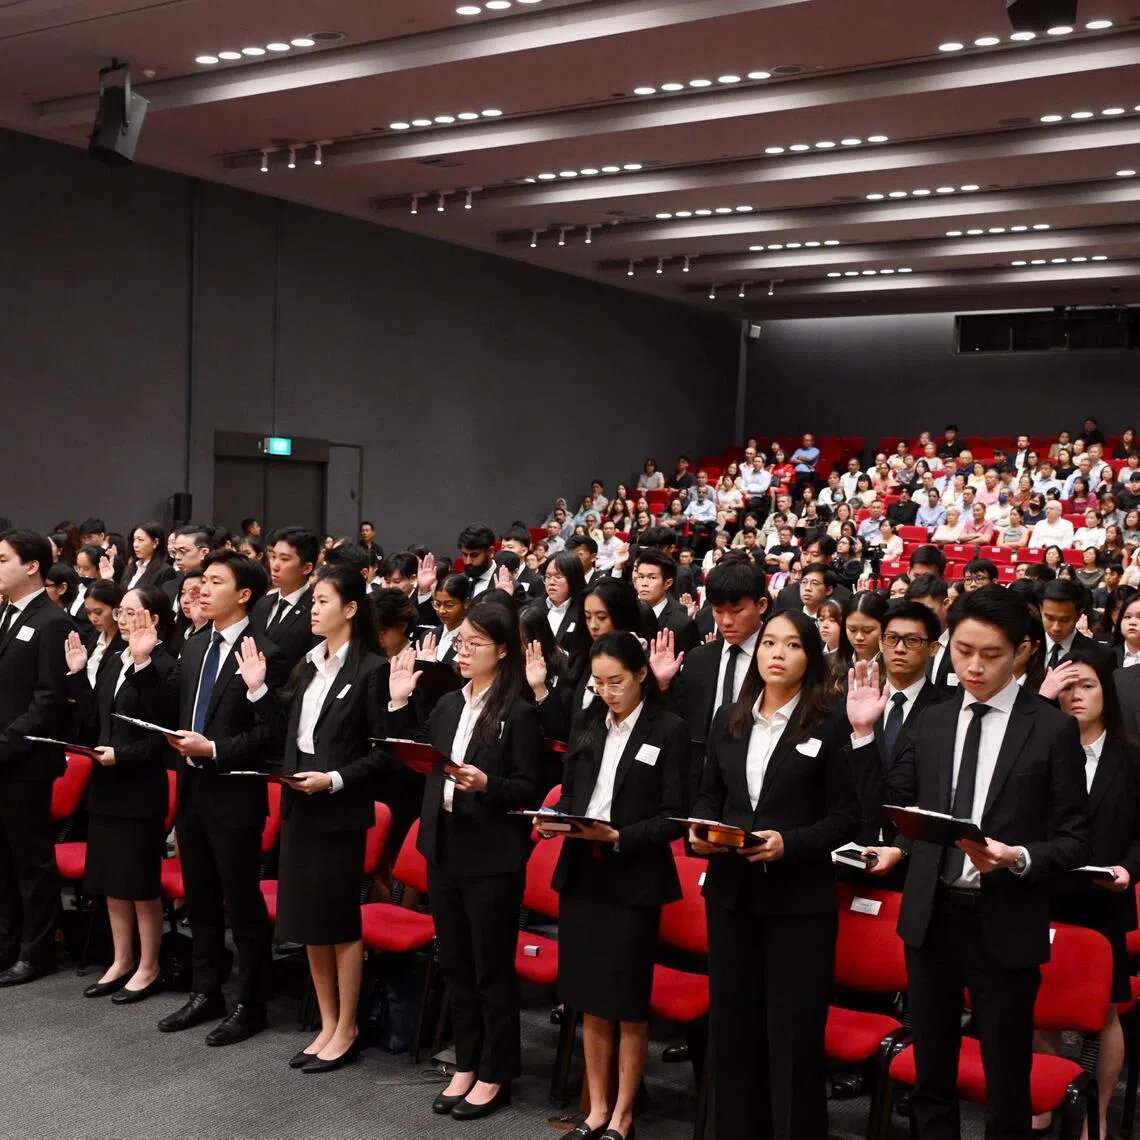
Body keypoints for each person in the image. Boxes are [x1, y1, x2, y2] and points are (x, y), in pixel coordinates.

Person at [848, 585, 1089, 1140]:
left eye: (991, 654)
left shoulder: (1050, 728)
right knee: (931, 1069)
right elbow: (890, 799)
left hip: (1004, 916)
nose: (974, 667)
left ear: (1023, 651)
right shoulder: (932, 719)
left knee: (1007, 1075)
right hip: (933, 915)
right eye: (962, 651)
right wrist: (864, 735)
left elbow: (1076, 839)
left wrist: (1020, 856)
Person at [691, 608, 859, 1140]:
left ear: (810, 657)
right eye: (769, 644)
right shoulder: (730, 716)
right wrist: (703, 830)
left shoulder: (831, 723)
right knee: (733, 1031)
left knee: (791, 1037)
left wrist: (792, 844)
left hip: (798, 902)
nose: (777, 654)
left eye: (791, 645)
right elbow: (710, 794)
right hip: (732, 894)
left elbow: (847, 817)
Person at [388, 601, 542, 1120]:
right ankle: (466, 1060)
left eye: (475, 644)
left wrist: (487, 784)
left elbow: (530, 788)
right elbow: (421, 758)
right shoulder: (450, 703)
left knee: (490, 966)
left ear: (502, 650)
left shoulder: (517, 712)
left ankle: (499, 1070)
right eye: (462, 642)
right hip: (445, 843)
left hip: (492, 852)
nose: (464, 651)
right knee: (454, 961)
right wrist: (399, 704)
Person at [130, 549, 288, 1044]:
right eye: (201, 582)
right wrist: (144, 661)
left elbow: (271, 736)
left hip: (235, 793)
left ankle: (252, 1001)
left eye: (215, 581)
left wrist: (216, 748)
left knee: (241, 903)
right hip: (194, 790)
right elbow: (169, 702)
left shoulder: (266, 652)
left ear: (243, 594)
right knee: (198, 897)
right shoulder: (196, 644)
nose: (201, 589)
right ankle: (206, 991)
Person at [239, 565, 388, 1072]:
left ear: (350, 609)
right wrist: (258, 692)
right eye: (312, 602)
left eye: (322, 601)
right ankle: (326, 1021)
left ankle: (348, 1027)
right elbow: (289, 733)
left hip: (339, 812)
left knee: (339, 924)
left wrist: (336, 779)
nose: (312, 610)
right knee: (308, 922)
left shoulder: (371, 669)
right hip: (301, 804)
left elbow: (382, 753)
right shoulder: (308, 663)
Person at [541, 632, 688, 1140]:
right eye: (599, 683)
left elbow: (674, 817)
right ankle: (597, 1108)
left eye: (617, 681)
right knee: (589, 996)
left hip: (633, 877)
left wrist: (621, 835)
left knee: (625, 1001)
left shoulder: (668, 729)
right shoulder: (588, 721)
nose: (608, 692)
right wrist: (555, 818)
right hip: (584, 870)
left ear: (642, 674)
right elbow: (573, 791)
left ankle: (624, 1114)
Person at [1032, 647, 1140, 1137]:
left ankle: (1096, 1113)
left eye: (1087, 685)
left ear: (1108, 693)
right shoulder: (1039, 748)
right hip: (1047, 890)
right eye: (1067, 687)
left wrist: (1128, 870)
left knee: (1106, 1011)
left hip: (1104, 897)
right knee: (1043, 1005)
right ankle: (1045, 1099)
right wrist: (1038, 700)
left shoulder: (1130, 758)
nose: (1076, 696)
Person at [64, 585, 174, 1002]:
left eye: (131, 613)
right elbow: (97, 722)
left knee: (139, 881)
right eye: (122, 614)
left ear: (153, 620)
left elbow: (161, 733)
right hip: (107, 784)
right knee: (111, 878)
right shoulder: (113, 659)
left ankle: (149, 965)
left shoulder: (163, 665)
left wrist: (122, 757)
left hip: (140, 787)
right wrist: (78, 674)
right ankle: (121, 959)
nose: (122, 620)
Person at [0, 530, 76, 986]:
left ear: (32, 566)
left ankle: (37, 950)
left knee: (31, 860)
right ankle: (6, 943)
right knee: (1, 859)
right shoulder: (6, 615)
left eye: (3, 558)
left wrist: (7, 743)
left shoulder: (52, 622)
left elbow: (49, 699)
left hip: (24, 760)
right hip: (3, 756)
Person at [251, 527, 318, 669]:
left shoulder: (316, 608)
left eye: (284, 559)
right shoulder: (262, 604)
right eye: (273, 556)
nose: (274, 566)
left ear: (306, 568)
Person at [633, 549, 698, 653]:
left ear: (667, 583)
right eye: (641, 577)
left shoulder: (682, 624)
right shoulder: (626, 612)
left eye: (652, 578)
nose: (644, 583)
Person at [420, 573, 472, 666]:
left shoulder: (472, 641)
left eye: (449, 605)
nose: (442, 610)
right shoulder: (429, 636)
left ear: (466, 603)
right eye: (438, 604)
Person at [543, 550, 589, 656]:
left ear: (573, 579)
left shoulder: (584, 610)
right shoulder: (536, 607)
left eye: (558, 577)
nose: (551, 582)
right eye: (548, 577)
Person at [121, 522, 175, 590]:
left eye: (140, 540)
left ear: (155, 542)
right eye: (134, 540)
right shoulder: (131, 567)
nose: (135, 544)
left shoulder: (165, 571)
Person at [456, 524, 497, 597]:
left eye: (474, 555)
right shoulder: (457, 582)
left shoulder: (509, 586)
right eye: (465, 555)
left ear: (491, 552)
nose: (468, 562)